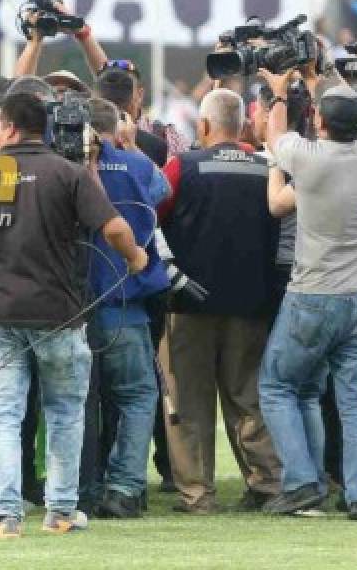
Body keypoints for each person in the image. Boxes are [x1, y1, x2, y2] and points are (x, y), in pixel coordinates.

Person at [0, 92, 147, 539]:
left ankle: (7, 515)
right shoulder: (68, 173)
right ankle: (61, 511)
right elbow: (115, 226)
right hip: (59, 311)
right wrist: (136, 259)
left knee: (2, 415)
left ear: (9, 128)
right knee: (65, 411)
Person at [257, 71, 357, 522]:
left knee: (278, 386)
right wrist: (321, 75)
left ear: (319, 120)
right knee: (356, 403)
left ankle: (300, 484)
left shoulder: (308, 159)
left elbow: (275, 135)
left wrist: (279, 91)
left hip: (315, 293)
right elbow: (352, 110)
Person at [157, 88, 282, 515]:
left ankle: (198, 495)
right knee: (249, 398)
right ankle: (268, 484)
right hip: (252, 305)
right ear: (243, 126)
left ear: (205, 126)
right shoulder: (266, 169)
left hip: (189, 306)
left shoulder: (181, 167)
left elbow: (152, 221)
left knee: (187, 403)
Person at [84, 98, 169, 519]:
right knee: (137, 395)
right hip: (123, 304)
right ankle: (123, 487)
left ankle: (82, 485)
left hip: (71, 306)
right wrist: (130, 147)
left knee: (77, 401)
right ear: (115, 129)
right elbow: (162, 189)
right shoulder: (135, 166)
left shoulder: (62, 165)